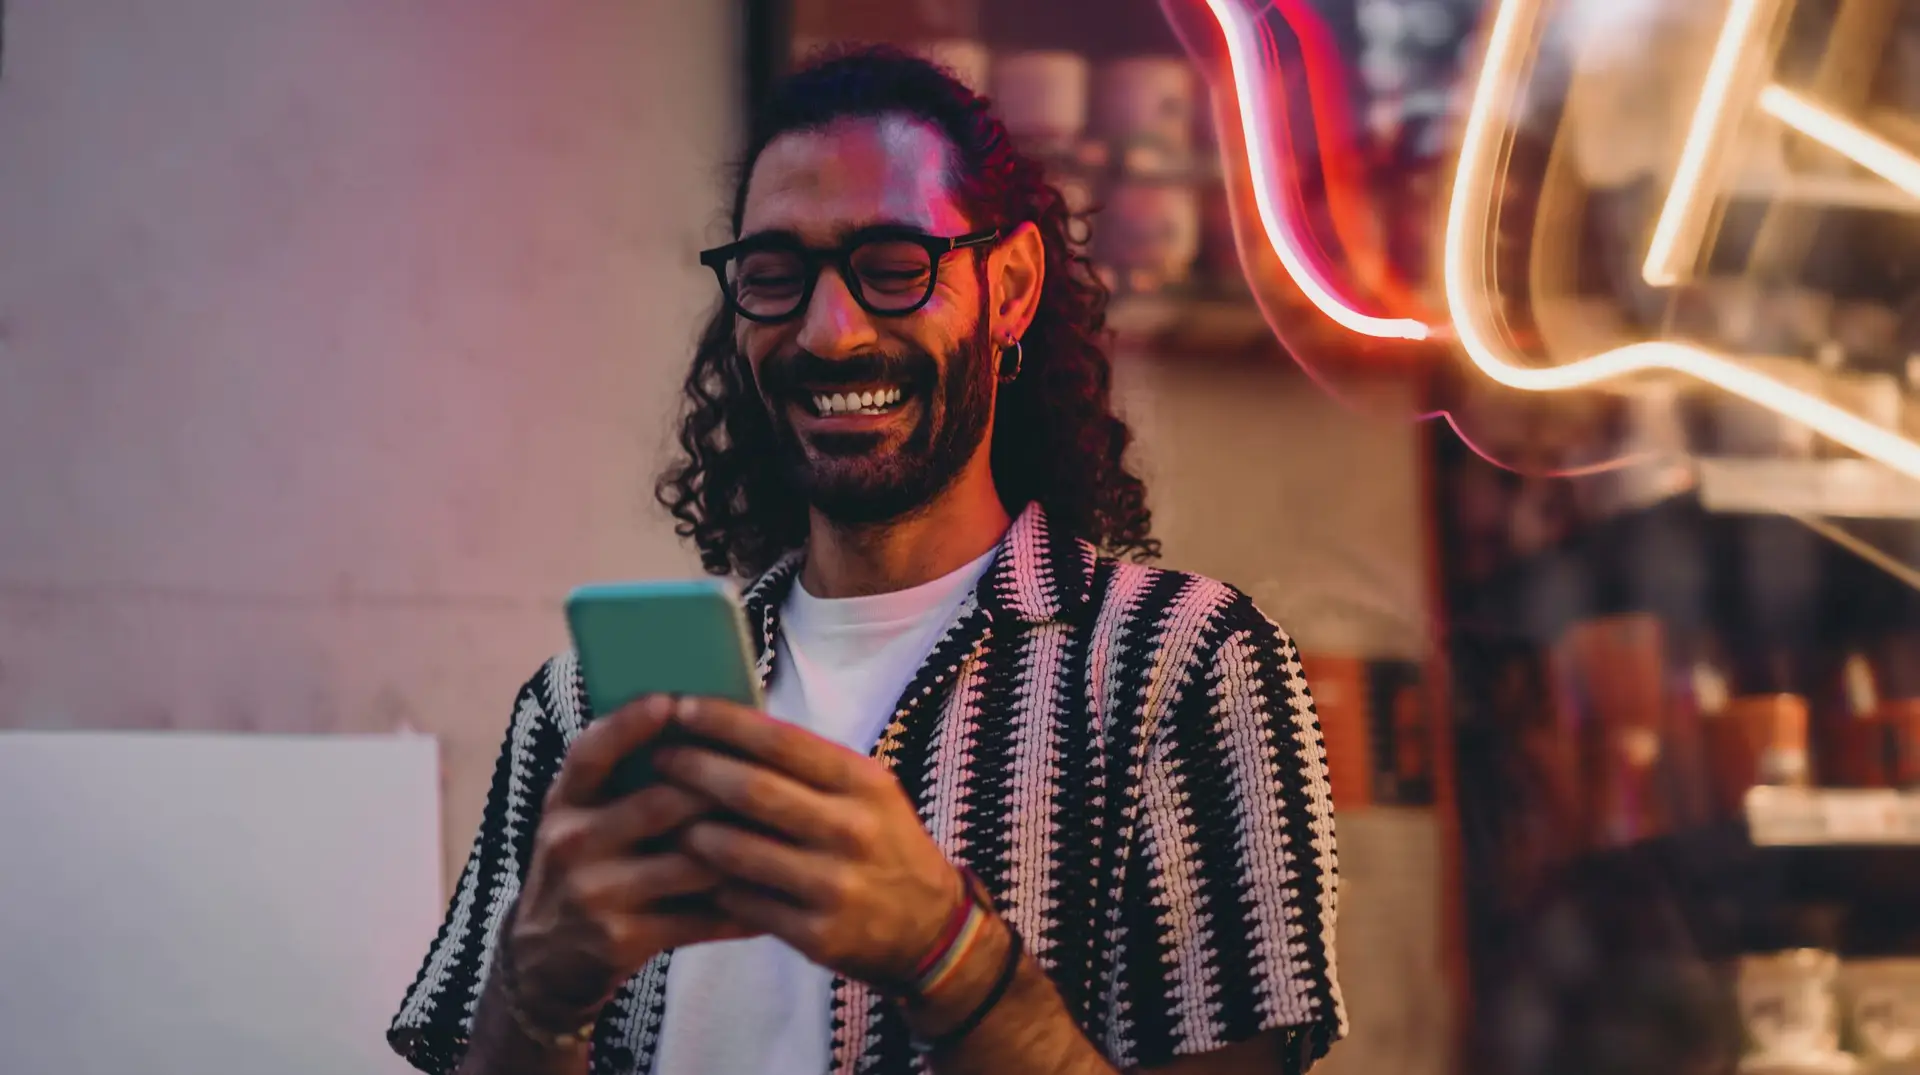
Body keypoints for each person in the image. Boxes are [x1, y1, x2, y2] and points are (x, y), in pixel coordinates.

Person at [388, 45, 1342, 1075]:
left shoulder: (1183, 669)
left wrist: (951, 957)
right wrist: (534, 999)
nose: (829, 332)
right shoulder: (579, 717)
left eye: (894, 266)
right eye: (775, 277)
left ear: (1010, 287)